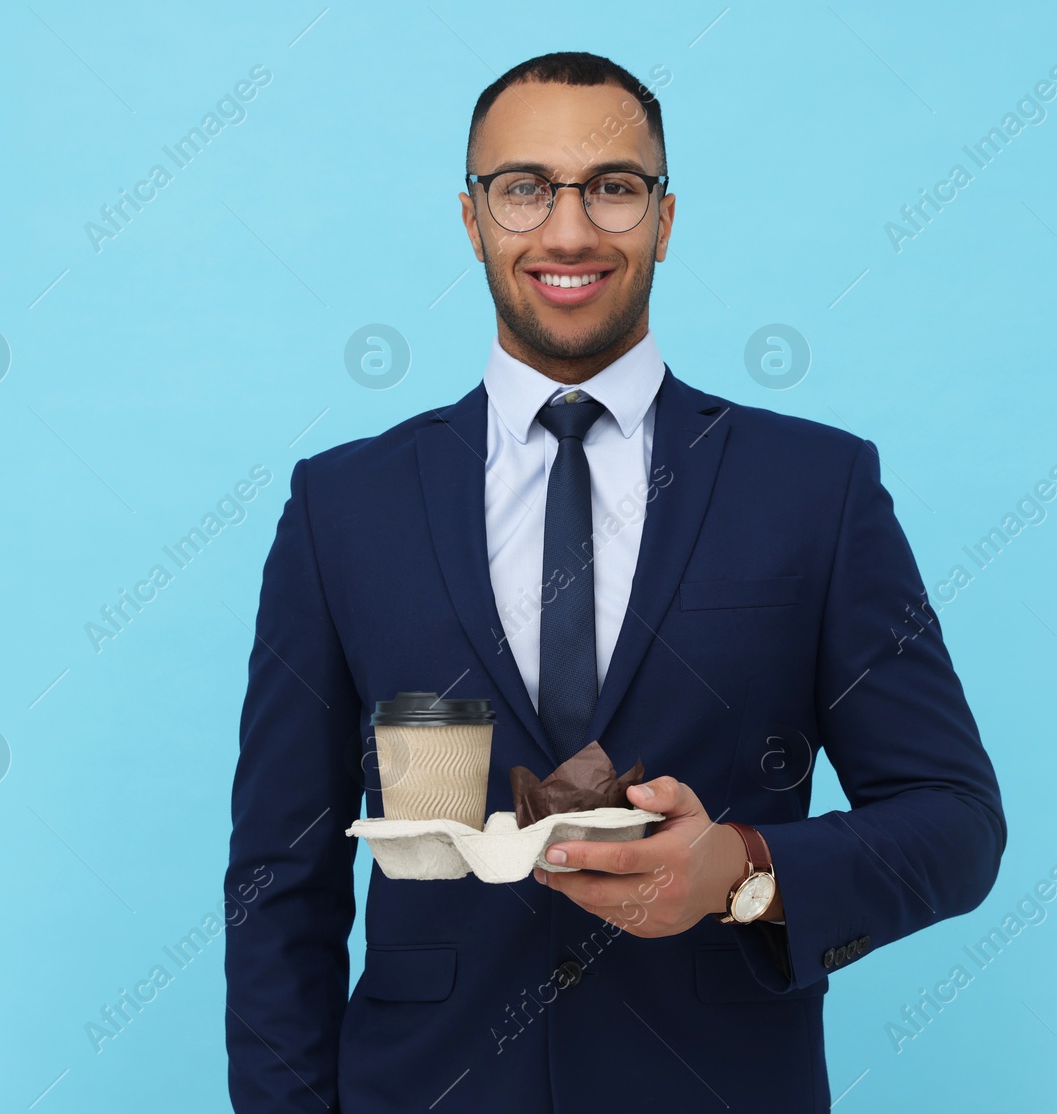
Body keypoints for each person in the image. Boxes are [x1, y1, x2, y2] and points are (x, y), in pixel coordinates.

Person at [224, 51, 1005, 1113]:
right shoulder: (342, 506)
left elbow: (954, 821)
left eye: (613, 188)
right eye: (524, 188)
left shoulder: (814, 488)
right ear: (471, 219)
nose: (569, 231)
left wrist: (739, 866)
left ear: (665, 219)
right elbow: (281, 884)